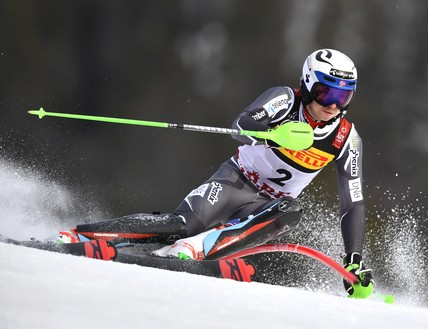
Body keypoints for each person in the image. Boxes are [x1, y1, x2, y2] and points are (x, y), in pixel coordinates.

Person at [58, 48, 374, 297]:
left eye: (343, 97)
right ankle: (82, 234)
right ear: (308, 86)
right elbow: (241, 124)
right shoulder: (285, 99)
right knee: (181, 225)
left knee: (292, 212)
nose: (333, 105)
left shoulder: (347, 138)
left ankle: (199, 248)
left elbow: (353, 202)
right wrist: (273, 133)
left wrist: (354, 257)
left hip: (265, 207)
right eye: (325, 94)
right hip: (235, 181)